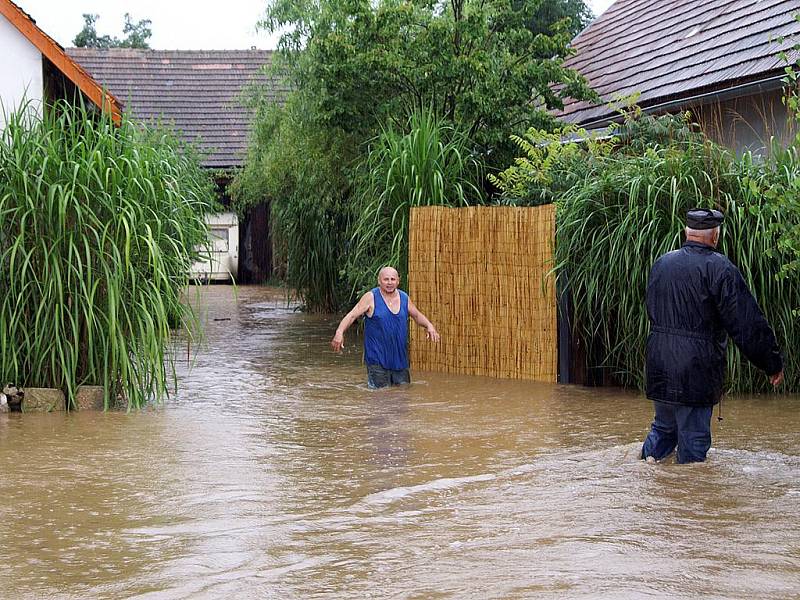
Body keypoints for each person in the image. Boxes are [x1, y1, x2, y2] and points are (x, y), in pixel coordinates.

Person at [642, 207, 784, 464]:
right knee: (694, 443)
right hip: (695, 369)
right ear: (715, 236)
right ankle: (693, 500)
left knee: (663, 430)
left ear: (687, 232)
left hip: (660, 364)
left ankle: (645, 480)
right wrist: (771, 363)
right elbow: (746, 323)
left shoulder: (662, 263)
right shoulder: (720, 269)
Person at [331, 266, 440, 388]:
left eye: (393, 279)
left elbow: (417, 315)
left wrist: (429, 325)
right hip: (377, 359)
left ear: (398, 281)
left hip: (400, 360)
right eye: (386, 279)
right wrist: (339, 332)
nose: (389, 283)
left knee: (403, 395)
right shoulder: (370, 297)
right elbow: (352, 315)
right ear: (379, 281)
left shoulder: (404, 298)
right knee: (381, 398)